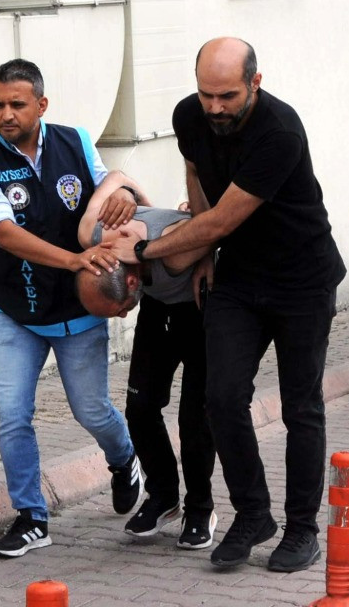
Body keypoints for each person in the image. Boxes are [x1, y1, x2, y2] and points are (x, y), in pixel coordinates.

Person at [114, 37, 346, 573]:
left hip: (301, 281)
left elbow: (223, 218)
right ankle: (252, 514)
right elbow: (197, 178)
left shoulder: (279, 132)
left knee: (300, 408)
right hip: (239, 279)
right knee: (219, 400)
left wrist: (148, 249)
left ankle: (303, 529)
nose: (214, 107)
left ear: (255, 84)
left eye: (227, 96)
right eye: (205, 94)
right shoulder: (189, 116)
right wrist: (200, 256)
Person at [0, 58, 142, 559]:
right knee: (14, 416)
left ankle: (124, 460)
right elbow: (3, 232)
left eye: (17, 104)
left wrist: (121, 195)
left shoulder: (75, 141)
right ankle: (31, 516)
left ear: (41, 104)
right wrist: (72, 258)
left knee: (92, 411)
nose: (6, 114)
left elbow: (109, 188)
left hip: (81, 315)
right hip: (19, 313)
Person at [74, 176, 219, 551]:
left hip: (200, 305)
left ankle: (200, 508)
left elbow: (213, 229)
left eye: (120, 309)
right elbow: (117, 176)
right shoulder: (92, 234)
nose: (122, 317)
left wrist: (204, 256)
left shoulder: (173, 253)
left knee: (194, 416)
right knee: (140, 407)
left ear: (133, 279)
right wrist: (125, 193)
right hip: (160, 307)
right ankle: (163, 496)